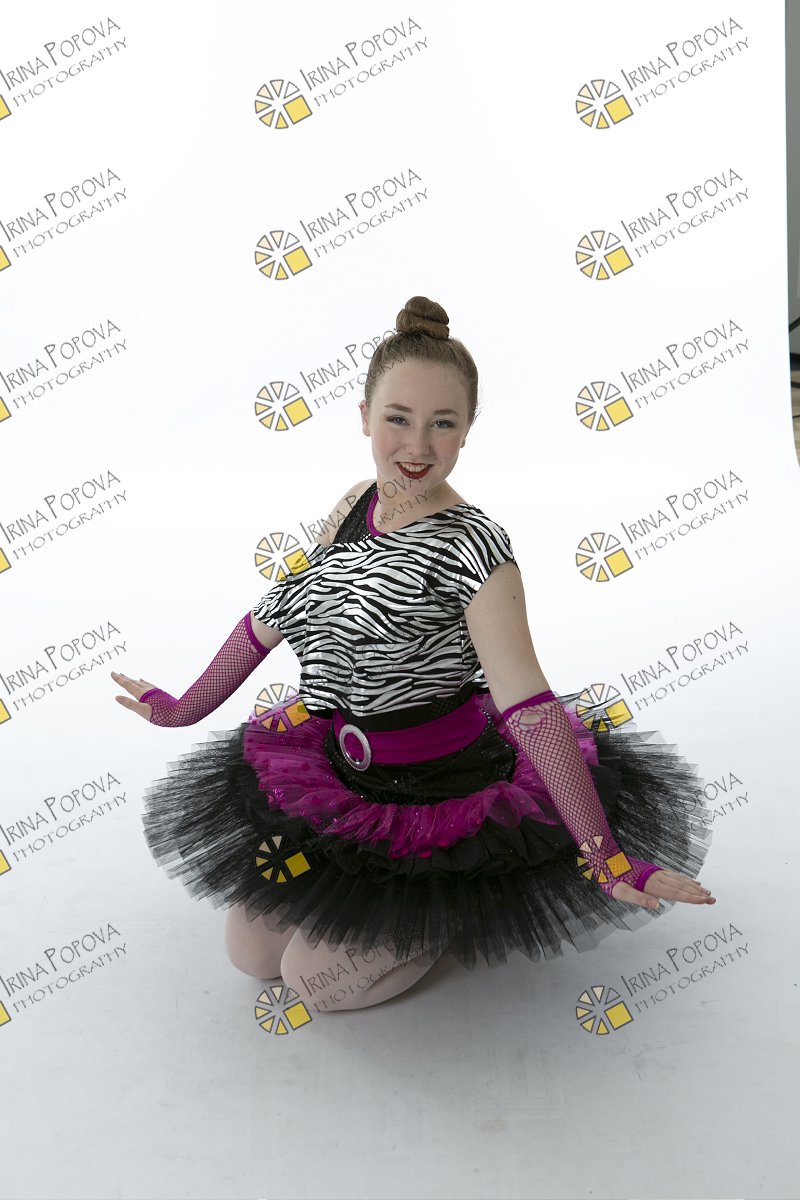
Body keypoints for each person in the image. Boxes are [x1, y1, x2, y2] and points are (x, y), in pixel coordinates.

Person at [112, 295, 716, 1014]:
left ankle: (445, 909)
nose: (417, 447)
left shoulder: (476, 547)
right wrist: (184, 707)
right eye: (398, 418)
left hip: (439, 795)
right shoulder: (354, 505)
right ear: (364, 416)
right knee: (251, 956)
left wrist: (604, 856)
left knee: (314, 985)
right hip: (342, 777)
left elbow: (529, 707)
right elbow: (277, 611)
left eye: (443, 423)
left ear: (468, 430)